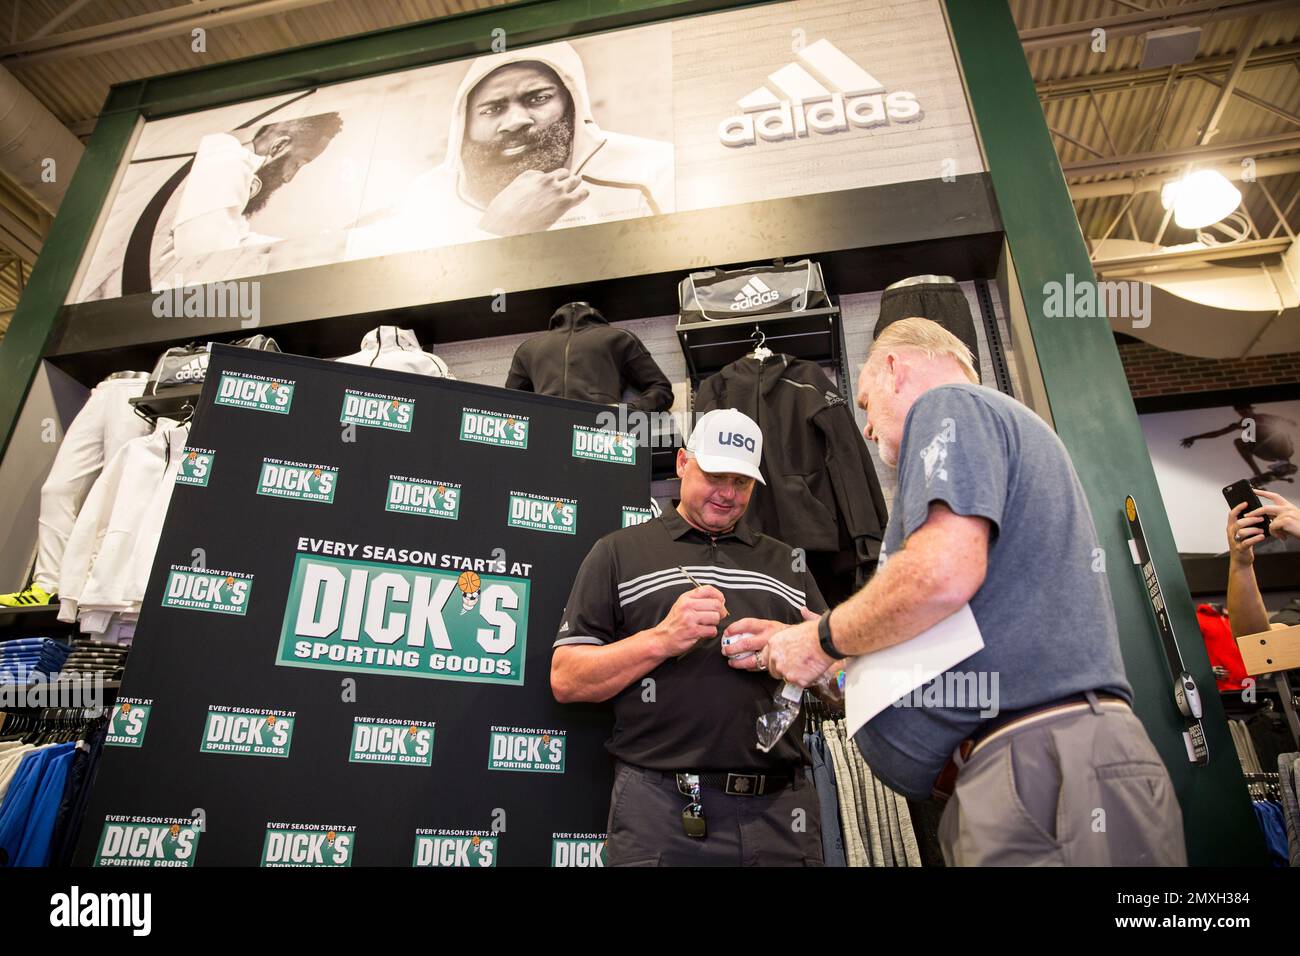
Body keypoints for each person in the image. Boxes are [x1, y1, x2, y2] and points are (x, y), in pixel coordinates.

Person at [764, 317, 1187, 866]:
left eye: (866, 405)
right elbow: (954, 632)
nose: (866, 430)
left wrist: (820, 639)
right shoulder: (996, 430)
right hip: (1031, 769)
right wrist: (838, 672)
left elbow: (940, 576)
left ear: (896, 368)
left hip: (1042, 767)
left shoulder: (949, 406)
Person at [551, 408, 826, 866]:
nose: (727, 493)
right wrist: (661, 638)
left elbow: (845, 687)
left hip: (781, 812)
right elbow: (567, 678)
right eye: (714, 474)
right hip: (658, 812)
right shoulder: (618, 552)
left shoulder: (788, 563)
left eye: (741, 482)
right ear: (682, 463)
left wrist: (800, 649)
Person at [347, 41, 673, 256]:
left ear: (571, 103)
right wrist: (499, 232)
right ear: (464, 126)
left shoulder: (650, 167)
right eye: (492, 109)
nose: (516, 121)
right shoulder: (417, 206)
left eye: (538, 98)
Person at [171, 113, 344, 259]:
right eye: (297, 163)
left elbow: (240, 238)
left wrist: (307, 247)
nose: (288, 178)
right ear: (279, 146)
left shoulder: (235, 167)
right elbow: (210, 254)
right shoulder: (227, 162)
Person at [1181, 405, 1298, 487]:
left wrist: (1288, 422)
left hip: (1283, 449)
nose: (1244, 414)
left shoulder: (1264, 416)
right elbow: (1218, 433)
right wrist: (1195, 437)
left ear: (1250, 409)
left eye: (1245, 411)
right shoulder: (1240, 423)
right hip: (1265, 452)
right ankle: (1258, 473)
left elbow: (1288, 422)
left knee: (1277, 431)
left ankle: (1284, 462)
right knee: (1239, 441)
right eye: (1241, 413)